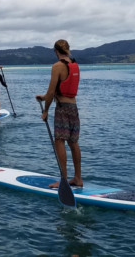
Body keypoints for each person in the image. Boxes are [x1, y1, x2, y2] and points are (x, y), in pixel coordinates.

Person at [36, 39, 82, 188]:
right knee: (73, 142)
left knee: (59, 141)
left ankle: (63, 179)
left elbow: (51, 92)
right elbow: (60, 90)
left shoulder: (57, 66)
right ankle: (78, 178)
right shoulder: (75, 65)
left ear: (56, 51)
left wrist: (46, 111)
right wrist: (43, 97)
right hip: (73, 108)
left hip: (62, 108)